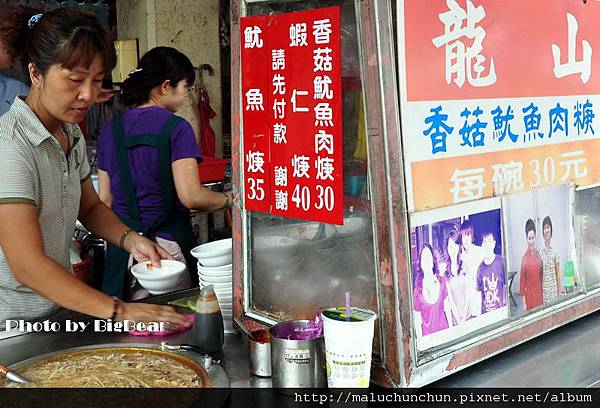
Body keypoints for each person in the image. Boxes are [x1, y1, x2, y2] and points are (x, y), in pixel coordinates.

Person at [0, 9, 190, 329]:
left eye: (97, 80)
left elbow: (89, 207)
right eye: (75, 80)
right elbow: (27, 266)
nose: (88, 95)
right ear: (36, 74)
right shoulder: (10, 146)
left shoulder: (69, 132)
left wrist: (132, 240)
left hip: (56, 312)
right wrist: (120, 310)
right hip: (12, 326)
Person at [96, 46, 233, 299]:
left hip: (124, 250)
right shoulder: (176, 128)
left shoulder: (110, 130)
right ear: (166, 86)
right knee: (174, 316)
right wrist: (230, 199)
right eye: (185, 88)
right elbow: (191, 197)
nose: (185, 96)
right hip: (167, 251)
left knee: (131, 319)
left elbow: (105, 200)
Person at [413, 244, 455, 337]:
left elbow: (447, 309)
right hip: (428, 340)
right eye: (424, 258)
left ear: (433, 261)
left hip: (444, 336)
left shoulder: (442, 282)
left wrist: (451, 331)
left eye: (429, 256)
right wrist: (421, 341)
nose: (426, 261)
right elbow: (417, 321)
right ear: (420, 263)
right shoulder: (417, 291)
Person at [443, 230, 471, 324]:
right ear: (447, 248)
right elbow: (450, 300)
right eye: (450, 246)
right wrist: (458, 320)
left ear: (459, 246)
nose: (452, 249)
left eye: (455, 246)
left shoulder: (464, 265)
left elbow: (468, 293)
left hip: (468, 316)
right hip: (455, 319)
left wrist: (464, 317)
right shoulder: (446, 272)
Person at [476, 231, 506, 314]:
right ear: (482, 246)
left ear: (494, 244)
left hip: (500, 312)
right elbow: (479, 294)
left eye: (490, 241)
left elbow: (506, 286)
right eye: (485, 242)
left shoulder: (502, 262)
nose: (487, 246)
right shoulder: (480, 269)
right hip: (486, 314)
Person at [459, 219, 484, 317]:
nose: (465, 239)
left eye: (468, 235)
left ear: (472, 236)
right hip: (468, 302)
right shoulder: (461, 256)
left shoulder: (480, 252)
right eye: (463, 236)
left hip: (480, 299)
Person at [519, 219, 543, 311]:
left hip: (539, 294)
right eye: (529, 238)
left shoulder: (539, 255)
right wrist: (524, 303)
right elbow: (522, 281)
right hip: (529, 296)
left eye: (533, 238)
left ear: (535, 238)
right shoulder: (524, 258)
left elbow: (542, 275)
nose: (531, 241)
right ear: (526, 239)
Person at [540, 216, 561, 303]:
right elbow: (540, 274)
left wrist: (559, 293)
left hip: (554, 293)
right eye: (544, 228)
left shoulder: (555, 250)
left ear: (551, 229)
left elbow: (558, 273)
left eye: (548, 227)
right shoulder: (540, 252)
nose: (546, 230)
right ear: (543, 231)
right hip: (544, 294)